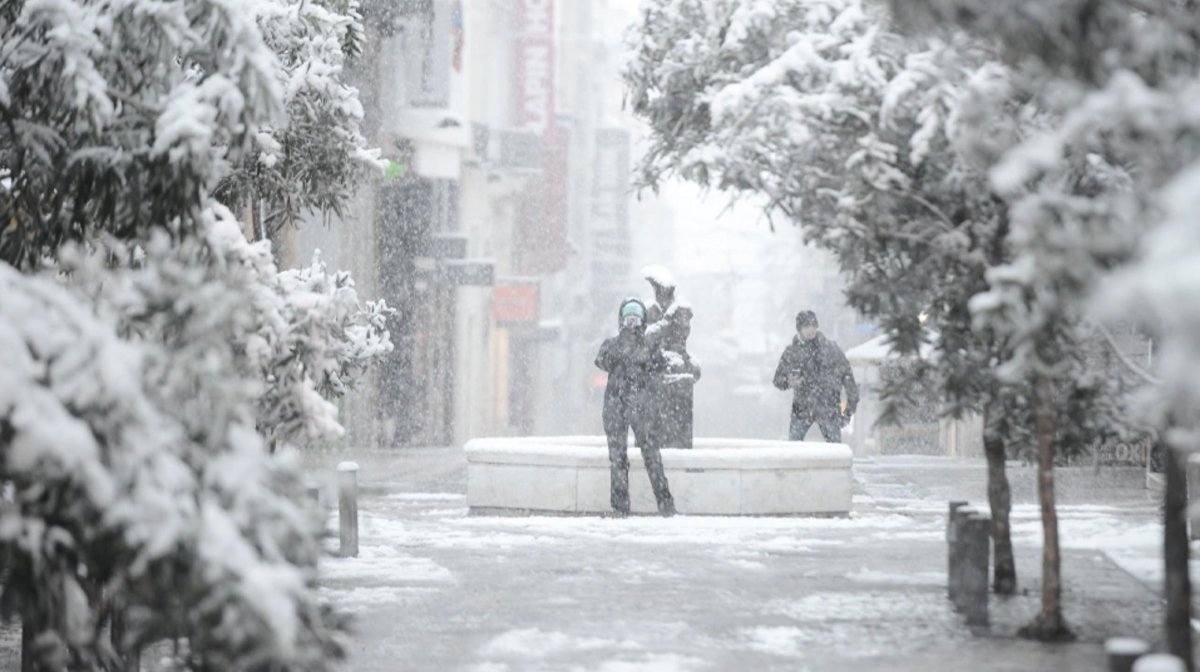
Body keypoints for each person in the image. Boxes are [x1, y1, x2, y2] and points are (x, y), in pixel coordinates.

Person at [595, 298, 676, 516]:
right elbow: (602, 361)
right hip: (619, 409)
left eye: (635, 319)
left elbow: (659, 367)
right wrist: (626, 344)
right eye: (628, 319)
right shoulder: (613, 344)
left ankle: (665, 504)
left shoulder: (648, 346)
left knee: (649, 456)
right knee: (620, 458)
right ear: (622, 321)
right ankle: (623, 507)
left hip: (638, 409)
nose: (632, 324)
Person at [773, 310, 859, 443]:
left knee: (835, 452)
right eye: (806, 326)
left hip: (828, 409)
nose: (810, 330)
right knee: (793, 450)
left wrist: (847, 412)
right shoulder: (792, 352)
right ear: (799, 329)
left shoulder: (831, 349)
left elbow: (848, 378)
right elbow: (777, 380)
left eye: (813, 326)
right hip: (802, 409)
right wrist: (789, 382)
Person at [646, 303, 700, 448]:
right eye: (682, 325)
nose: (685, 330)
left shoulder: (682, 357)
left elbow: (696, 371)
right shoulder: (657, 323)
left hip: (677, 427)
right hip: (659, 423)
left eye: (687, 325)